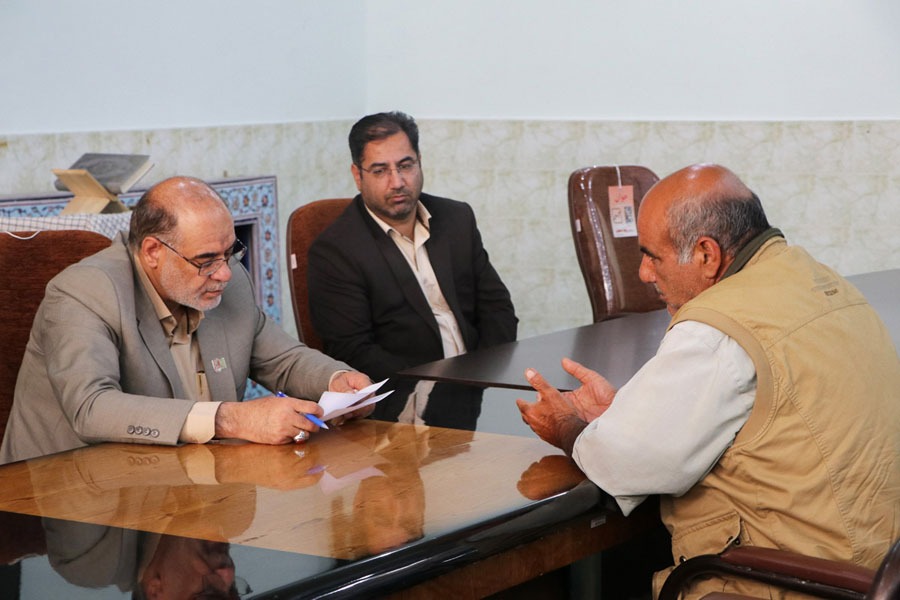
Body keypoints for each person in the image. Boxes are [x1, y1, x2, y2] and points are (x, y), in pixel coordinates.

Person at [516, 164, 900, 598]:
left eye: (652, 256)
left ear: (706, 255)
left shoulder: (717, 327)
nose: (643, 273)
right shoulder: (824, 284)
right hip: (875, 570)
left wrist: (565, 426)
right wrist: (628, 412)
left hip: (791, 584)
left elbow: (624, 463)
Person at [0, 176, 372, 465]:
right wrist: (231, 419)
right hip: (63, 496)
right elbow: (91, 408)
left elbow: (283, 359)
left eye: (230, 252)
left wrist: (337, 380)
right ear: (152, 252)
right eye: (206, 260)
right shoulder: (85, 292)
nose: (224, 273)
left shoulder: (228, 281)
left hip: (186, 482)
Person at [307, 111, 518, 384]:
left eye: (405, 166)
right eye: (380, 171)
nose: (397, 182)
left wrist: (485, 377)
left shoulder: (457, 218)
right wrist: (436, 387)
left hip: (480, 383)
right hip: (406, 396)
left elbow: (497, 309)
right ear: (357, 176)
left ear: (420, 162)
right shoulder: (335, 251)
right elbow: (353, 352)